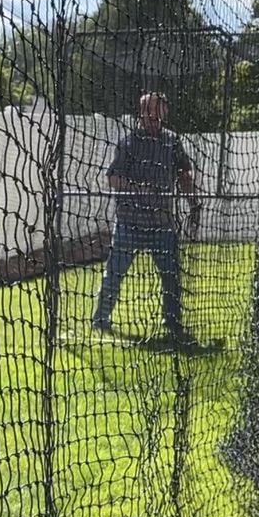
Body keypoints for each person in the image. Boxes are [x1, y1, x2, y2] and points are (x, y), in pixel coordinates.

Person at [92, 92, 202, 342]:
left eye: (158, 112)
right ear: (141, 114)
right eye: (149, 112)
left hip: (162, 224)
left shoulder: (173, 142)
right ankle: (101, 319)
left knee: (171, 275)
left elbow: (184, 174)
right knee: (114, 274)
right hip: (130, 223)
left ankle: (172, 321)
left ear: (164, 113)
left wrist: (193, 201)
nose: (153, 117)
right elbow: (113, 178)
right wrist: (138, 188)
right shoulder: (128, 143)